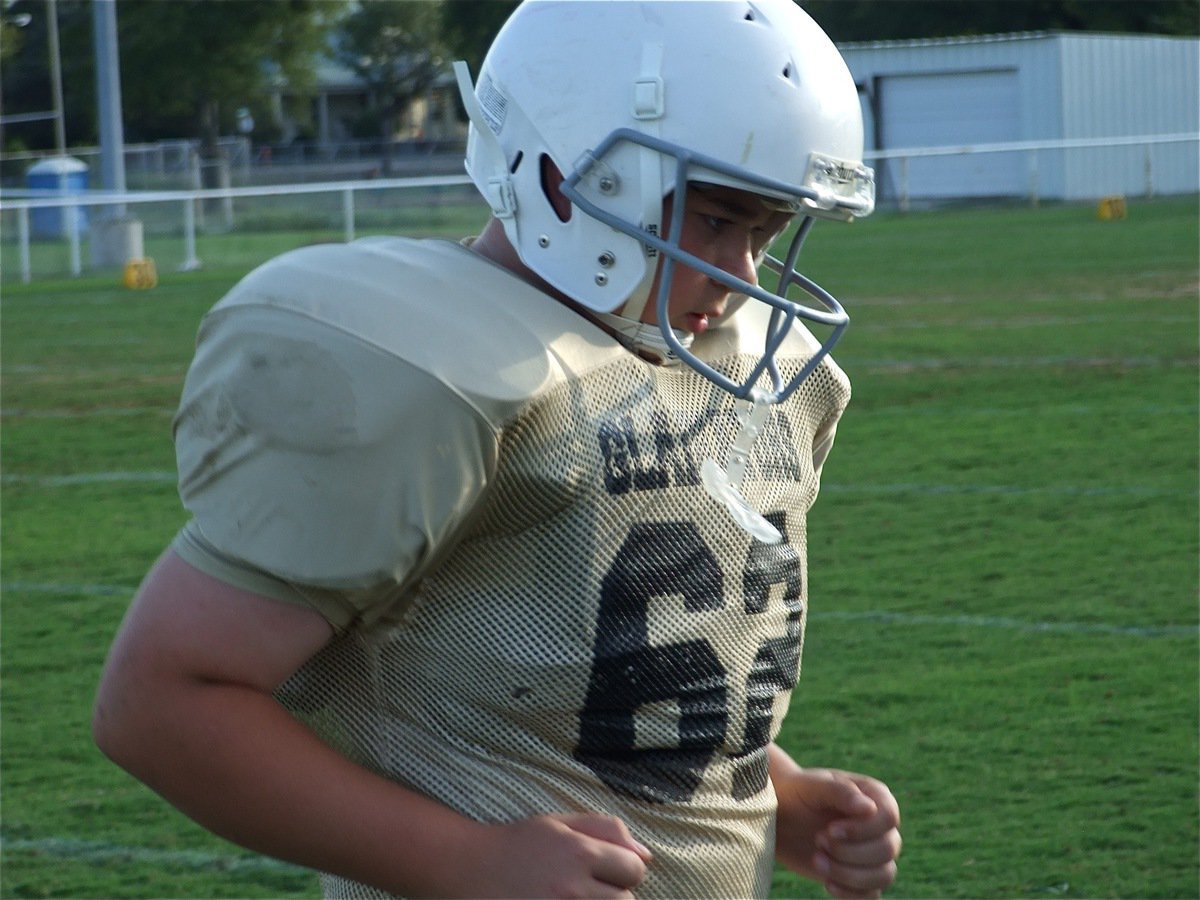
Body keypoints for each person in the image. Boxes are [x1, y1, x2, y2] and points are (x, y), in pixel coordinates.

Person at [92, 1, 902, 897]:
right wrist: (468, 861)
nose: (744, 277)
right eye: (714, 222)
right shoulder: (440, 366)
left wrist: (777, 794)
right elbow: (161, 701)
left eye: (765, 231)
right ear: (565, 184)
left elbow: (605, 669)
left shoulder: (728, 363)